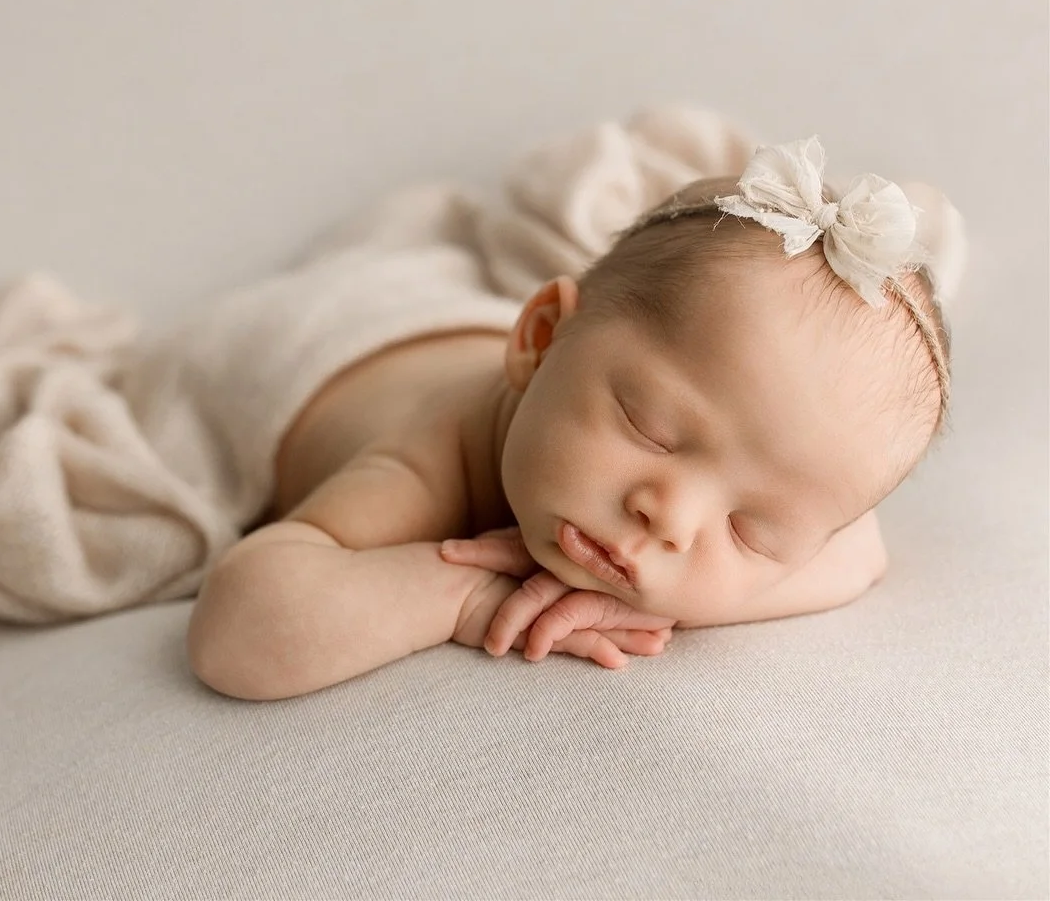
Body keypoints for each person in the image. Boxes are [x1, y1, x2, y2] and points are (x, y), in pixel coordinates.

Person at [187, 138, 953, 701]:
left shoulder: (689, 459)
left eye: (752, 531)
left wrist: (680, 598)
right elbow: (237, 635)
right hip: (318, 348)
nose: (671, 520)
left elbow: (858, 549)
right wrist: (462, 596)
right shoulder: (424, 462)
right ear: (542, 341)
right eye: (652, 428)